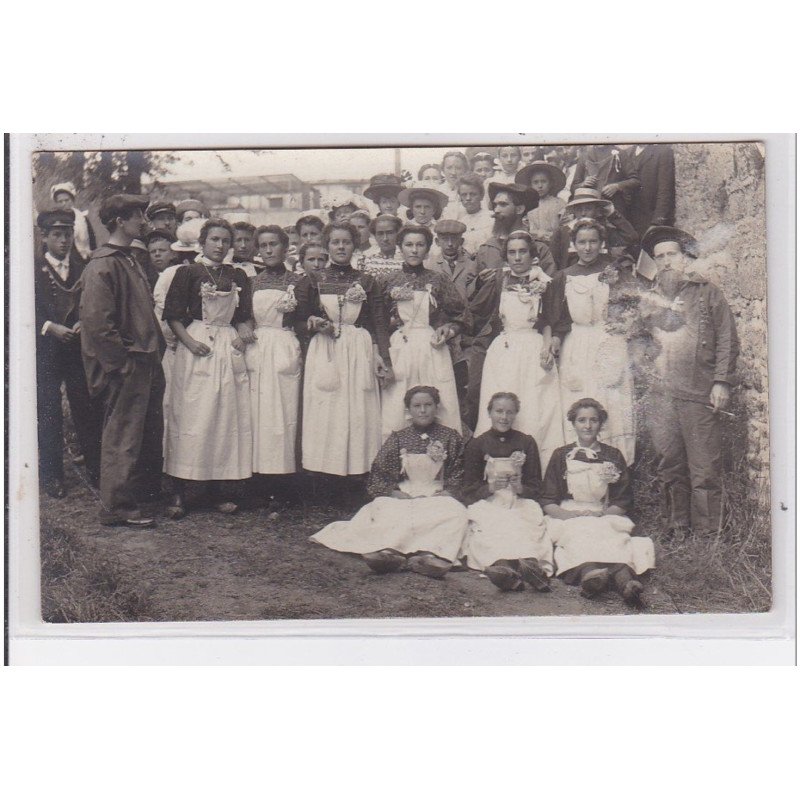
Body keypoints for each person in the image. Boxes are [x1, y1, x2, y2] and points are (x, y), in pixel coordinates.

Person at [639, 226, 738, 538]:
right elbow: (637, 341)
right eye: (660, 257)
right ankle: (677, 527)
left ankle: (709, 535)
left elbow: (727, 338)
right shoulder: (648, 298)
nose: (666, 261)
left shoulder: (707, 293)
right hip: (661, 396)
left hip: (698, 391)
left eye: (672, 254)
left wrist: (721, 381)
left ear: (685, 258)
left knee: (704, 467)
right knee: (669, 464)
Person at [310, 385, 468, 579]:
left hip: (437, 491)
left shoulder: (450, 436)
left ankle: (431, 554)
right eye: (417, 405)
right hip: (406, 490)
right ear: (408, 410)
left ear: (436, 407)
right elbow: (380, 470)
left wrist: (450, 491)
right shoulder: (399, 438)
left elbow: (459, 469)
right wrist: (392, 492)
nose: (423, 410)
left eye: (428, 405)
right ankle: (390, 552)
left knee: (455, 512)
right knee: (383, 509)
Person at [79, 194, 165, 527]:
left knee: (135, 433)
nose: (144, 222)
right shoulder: (104, 263)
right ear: (120, 222)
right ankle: (116, 506)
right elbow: (99, 324)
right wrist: (121, 364)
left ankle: (131, 498)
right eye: (137, 216)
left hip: (143, 360)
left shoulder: (127, 258)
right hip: (128, 365)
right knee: (122, 435)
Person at [162, 218, 254, 518]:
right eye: (214, 239)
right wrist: (189, 342)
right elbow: (173, 316)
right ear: (202, 243)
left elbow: (244, 315)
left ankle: (219, 488)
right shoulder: (187, 273)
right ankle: (180, 490)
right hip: (198, 345)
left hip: (226, 346)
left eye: (225, 240)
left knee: (223, 417)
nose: (220, 245)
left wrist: (243, 332)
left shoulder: (238, 274)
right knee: (191, 416)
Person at [294, 221, 392, 478]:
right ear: (327, 246)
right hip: (325, 349)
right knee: (327, 408)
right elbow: (295, 319)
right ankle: (325, 476)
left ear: (355, 245)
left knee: (358, 408)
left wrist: (382, 356)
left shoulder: (368, 281)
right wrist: (313, 323)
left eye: (346, 242)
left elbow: (378, 321)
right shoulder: (312, 280)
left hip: (358, 348)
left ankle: (359, 474)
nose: (341, 247)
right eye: (335, 242)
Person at [541, 398, 654, 608]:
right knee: (578, 536)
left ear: (601, 423)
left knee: (614, 537)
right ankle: (590, 576)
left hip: (603, 512)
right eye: (582, 420)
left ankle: (626, 584)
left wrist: (603, 514)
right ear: (573, 423)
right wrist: (570, 516)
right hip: (569, 512)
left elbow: (623, 499)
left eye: (593, 420)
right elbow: (548, 500)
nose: (587, 425)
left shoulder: (612, 455)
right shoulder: (560, 455)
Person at [470, 231, 566, 469]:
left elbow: (548, 321)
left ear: (533, 255)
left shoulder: (544, 282)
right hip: (504, 350)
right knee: (502, 401)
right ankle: (496, 468)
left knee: (536, 407)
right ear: (506, 256)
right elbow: (476, 310)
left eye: (522, 251)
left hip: (533, 349)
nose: (517, 257)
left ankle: (536, 470)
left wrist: (546, 348)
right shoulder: (498, 280)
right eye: (512, 252)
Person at [550, 219, 637, 464]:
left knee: (611, 396)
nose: (587, 248)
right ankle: (578, 464)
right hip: (577, 344)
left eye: (593, 242)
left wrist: (621, 328)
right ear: (573, 245)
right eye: (582, 242)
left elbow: (631, 307)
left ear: (602, 244)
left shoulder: (615, 272)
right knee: (579, 393)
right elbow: (560, 319)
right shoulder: (563, 277)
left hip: (609, 340)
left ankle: (615, 465)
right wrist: (556, 338)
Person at [35, 209, 103, 497]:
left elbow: (90, 302)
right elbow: (16, 309)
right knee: (49, 411)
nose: (63, 241)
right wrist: (50, 327)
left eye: (67, 235)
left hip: (76, 348)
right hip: (47, 349)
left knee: (86, 408)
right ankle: (52, 477)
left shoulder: (81, 267)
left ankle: (97, 471)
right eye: (56, 235)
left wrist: (80, 322)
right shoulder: (30, 269)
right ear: (44, 237)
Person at [461, 392, 554, 591]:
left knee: (523, 522)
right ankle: (503, 569)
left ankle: (532, 568)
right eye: (499, 411)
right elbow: (468, 489)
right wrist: (489, 488)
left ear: (516, 414)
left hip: (519, 499)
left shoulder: (526, 442)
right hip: (489, 501)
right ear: (489, 413)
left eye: (510, 412)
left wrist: (521, 488)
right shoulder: (477, 444)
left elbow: (536, 486)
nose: (504, 417)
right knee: (493, 526)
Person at [380, 225, 466, 439]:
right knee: (396, 403)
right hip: (400, 347)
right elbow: (377, 321)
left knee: (439, 401)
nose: (414, 250)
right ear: (400, 247)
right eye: (409, 245)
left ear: (428, 249)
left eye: (420, 245)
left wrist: (448, 330)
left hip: (432, 348)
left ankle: (444, 454)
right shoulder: (387, 280)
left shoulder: (438, 279)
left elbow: (461, 316)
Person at [244, 225, 303, 478]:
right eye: (263, 245)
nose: (268, 250)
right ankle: (255, 476)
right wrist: (245, 329)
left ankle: (283, 476)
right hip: (258, 346)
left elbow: (303, 318)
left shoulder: (298, 282)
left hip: (285, 346)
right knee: (256, 411)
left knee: (284, 410)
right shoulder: (251, 282)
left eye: (274, 244)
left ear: (285, 247)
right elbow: (244, 317)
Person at [429, 219, 477, 419]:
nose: (449, 244)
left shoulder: (473, 264)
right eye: (444, 239)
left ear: (462, 240)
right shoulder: (429, 265)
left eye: (454, 239)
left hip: (467, 333)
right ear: (437, 241)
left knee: (466, 386)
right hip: (439, 333)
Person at [549, 185, 640, 271]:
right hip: (571, 280)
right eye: (579, 209)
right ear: (573, 211)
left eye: (588, 209)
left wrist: (613, 215)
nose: (583, 213)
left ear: (597, 210)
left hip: (600, 279)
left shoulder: (603, 229)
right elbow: (554, 261)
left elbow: (632, 237)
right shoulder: (562, 232)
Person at [475, 183, 557, 278]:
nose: (496, 210)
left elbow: (552, 284)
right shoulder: (486, 250)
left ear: (519, 209)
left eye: (503, 204)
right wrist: (479, 282)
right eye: (495, 205)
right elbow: (471, 285)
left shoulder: (540, 248)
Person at [570, 144, 640, 220]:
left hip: (614, 209)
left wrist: (617, 186)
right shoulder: (585, 155)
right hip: (590, 211)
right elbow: (573, 187)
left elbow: (635, 181)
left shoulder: (620, 153)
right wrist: (583, 184)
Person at [619, 144, 676, 237]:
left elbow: (665, 191)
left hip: (651, 220)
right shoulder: (626, 153)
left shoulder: (662, 152)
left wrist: (656, 223)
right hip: (631, 222)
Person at [516, 160, 567, 241]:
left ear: (550, 183)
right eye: (535, 182)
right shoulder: (526, 206)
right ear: (530, 185)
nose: (540, 186)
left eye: (543, 181)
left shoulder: (559, 204)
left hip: (555, 243)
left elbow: (565, 227)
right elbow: (524, 228)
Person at [449, 173, 494, 254]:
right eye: (464, 195)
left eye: (473, 194)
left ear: (481, 195)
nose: (468, 198)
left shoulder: (491, 218)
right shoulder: (458, 221)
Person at [51, 182, 96, 261]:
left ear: (72, 200)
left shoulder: (82, 218)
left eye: (66, 200)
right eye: (60, 201)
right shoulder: (53, 221)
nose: (64, 204)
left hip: (84, 259)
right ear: (56, 203)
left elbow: (92, 242)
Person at [360, 213, 405, 279]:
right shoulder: (365, 259)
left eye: (390, 233)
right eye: (380, 234)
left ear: (398, 233)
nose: (385, 238)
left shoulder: (406, 258)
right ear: (374, 236)